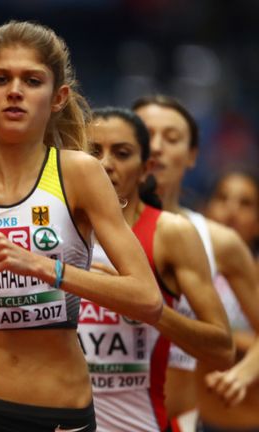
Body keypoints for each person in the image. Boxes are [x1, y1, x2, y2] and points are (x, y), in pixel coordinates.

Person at [0, 20, 162, 432]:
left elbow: (146, 298)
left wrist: (46, 268)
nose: (15, 90)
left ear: (58, 97)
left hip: (57, 406)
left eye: (32, 80)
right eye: (1, 79)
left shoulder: (80, 174)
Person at [83, 107, 233, 431]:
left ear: (145, 168)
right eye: (93, 151)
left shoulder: (170, 233)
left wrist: (150, 308)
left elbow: (222, 349)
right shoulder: (55, 230)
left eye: (122, 153)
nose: (106, 163)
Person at [133, 96, 259, 427]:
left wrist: (244, 372)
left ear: (192, 156)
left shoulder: (218, 240)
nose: (157, 147)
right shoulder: (87, 227)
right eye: (146, 135)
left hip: (179, 420)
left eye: (172, 138)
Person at [199, 170, 259, 431]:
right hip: (197, 415)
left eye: (245, 203)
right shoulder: (193, 270)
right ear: (206, 211)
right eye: (223, 198)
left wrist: (222, 338)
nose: (232, 210)